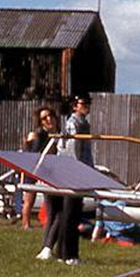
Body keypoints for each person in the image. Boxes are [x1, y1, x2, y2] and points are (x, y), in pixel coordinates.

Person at [53, 96, 93, 265]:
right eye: (84, 104)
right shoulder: (74, 123)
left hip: (79, 171)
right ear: (75, 106)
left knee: (73, 213)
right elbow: (73, 149)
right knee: (70, 214)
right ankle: (69, 255)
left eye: (88, 104)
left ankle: (65, 253)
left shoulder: (84, 123)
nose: (87, 107)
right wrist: (78, 171)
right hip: (73, 173)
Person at [24, 106, 58, 233]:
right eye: (44, 118)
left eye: (50, 116)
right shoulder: (40, 134)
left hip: (50, 167)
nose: (49, 119)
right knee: (30, 196)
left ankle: (50, 221)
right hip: (35, 167)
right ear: (40, 121)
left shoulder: (58, 132)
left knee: (50, 196)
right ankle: (26, 223)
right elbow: (33, 153)